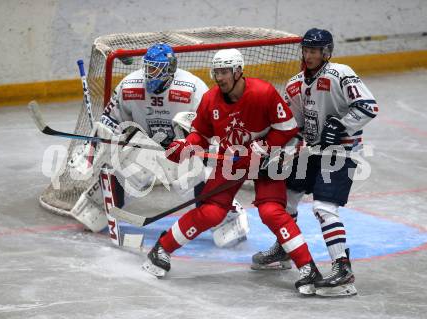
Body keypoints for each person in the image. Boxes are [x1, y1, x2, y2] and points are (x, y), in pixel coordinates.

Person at [144, 48, 322, 295]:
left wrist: (266, 146)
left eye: (225, 72)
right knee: (211, 212)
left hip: (266, 161)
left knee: (271, 211)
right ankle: (161, 249)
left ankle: (308, 268)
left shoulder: (263, 92)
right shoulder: (210, 99)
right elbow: (202, 135)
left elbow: (288, 128)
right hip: (232, 159)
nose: (220, 77)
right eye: (217, 72)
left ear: (239, 71)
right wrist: (185, 146)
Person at [69, 43, 250, 248]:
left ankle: (229, 215)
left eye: (156, 70)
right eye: (148, 68)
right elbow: (110, 120)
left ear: (170, 69)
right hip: (145, 145)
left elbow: (214, 125)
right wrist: (93, 148)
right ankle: (99, 204)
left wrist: (209, 146)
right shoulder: (130, 85)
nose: (150, 75)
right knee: (129, 167)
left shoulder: (193, 88)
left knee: (187, 179)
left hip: (182, 149)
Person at [251, 28, 379, 297]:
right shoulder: (295, 84)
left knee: (324, 207)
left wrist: (340, 125)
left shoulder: (340, 74)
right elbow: (292, 127)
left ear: (326, 52)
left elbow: (368, 106)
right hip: (311, 153)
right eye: (306, 50)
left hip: (341, 153)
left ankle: (342, 268)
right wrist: (279, 151)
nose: (308, 55)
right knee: (287, 197)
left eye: (314, 51)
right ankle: (285, 248)